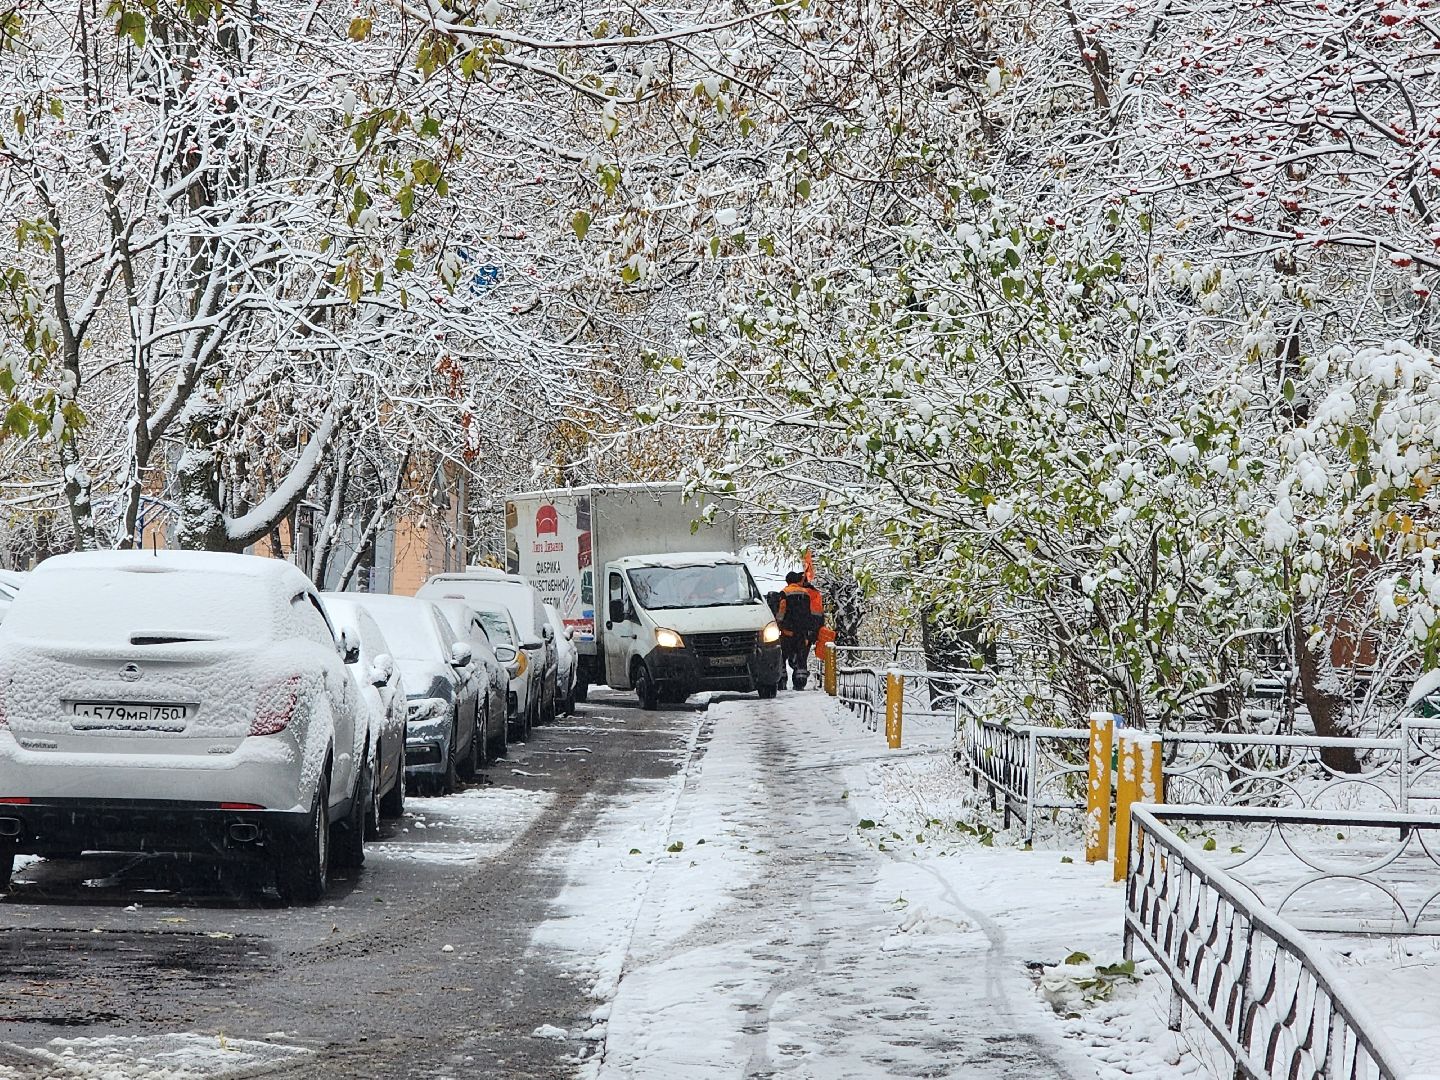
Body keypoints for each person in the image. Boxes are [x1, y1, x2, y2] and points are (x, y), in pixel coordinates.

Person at [777, 571, 823, 690]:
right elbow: (810, 613)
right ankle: (800, 682)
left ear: (787, 581)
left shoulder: (784, 592)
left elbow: (782, 610)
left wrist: (779, 623)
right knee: (801, 658)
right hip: (802, 633)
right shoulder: (806, 593)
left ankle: (781, 681)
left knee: (782, 656)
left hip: (788, 632)